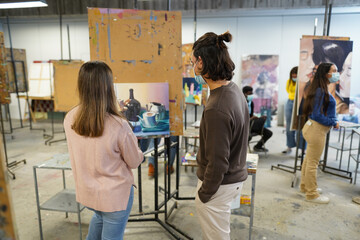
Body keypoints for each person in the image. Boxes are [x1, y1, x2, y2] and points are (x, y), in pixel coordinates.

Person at [64, 61, 143, 239]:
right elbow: (134, 161)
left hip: (88, 194)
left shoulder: (70, 118)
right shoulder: (119, 125)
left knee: (99, 216)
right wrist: (139, 151)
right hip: (114, 198)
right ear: (108, 87)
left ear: (81, 85)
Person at [191, 31, 249, 240]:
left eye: (192, 61)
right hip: (232, 180)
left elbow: (217, 162)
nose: (192, 66)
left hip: (219, 186)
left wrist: (204, 193)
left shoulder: (217, 107)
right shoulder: (233, 91)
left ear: (200, 62)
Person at [300, 62, 339, 204]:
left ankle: (305, 186)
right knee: (312, 163)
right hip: (316, 130)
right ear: (325, 73)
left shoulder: (320, 88)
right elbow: (316, 114)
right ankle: (312, 194)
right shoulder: (320, 91)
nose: (336, 73)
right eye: (333, 70)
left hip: (312, 128)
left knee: (308, 160)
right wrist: (333, 122)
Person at [282, 66, 306, 154]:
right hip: (290, 102)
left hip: (300, 103)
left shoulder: (303, 83)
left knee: (301, 127)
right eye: (293, 76)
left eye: (296, 76)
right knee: (289, 126)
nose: (294, 77)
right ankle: (289, 146)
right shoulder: (289, 81)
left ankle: (302, 149)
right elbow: (288, 91)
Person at [243, 86, 273, 152]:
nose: (251, 95)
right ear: (244, 94)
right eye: (249, 94)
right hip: (245, 125)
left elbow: (251, 114)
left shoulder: (251, 103)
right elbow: (240, 118)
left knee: (268, 133)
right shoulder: (241, 103)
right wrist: (251, 118)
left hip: (252, 124)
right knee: (248, 136)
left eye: (251, 93)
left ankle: (258, 146)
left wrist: (259, 117)